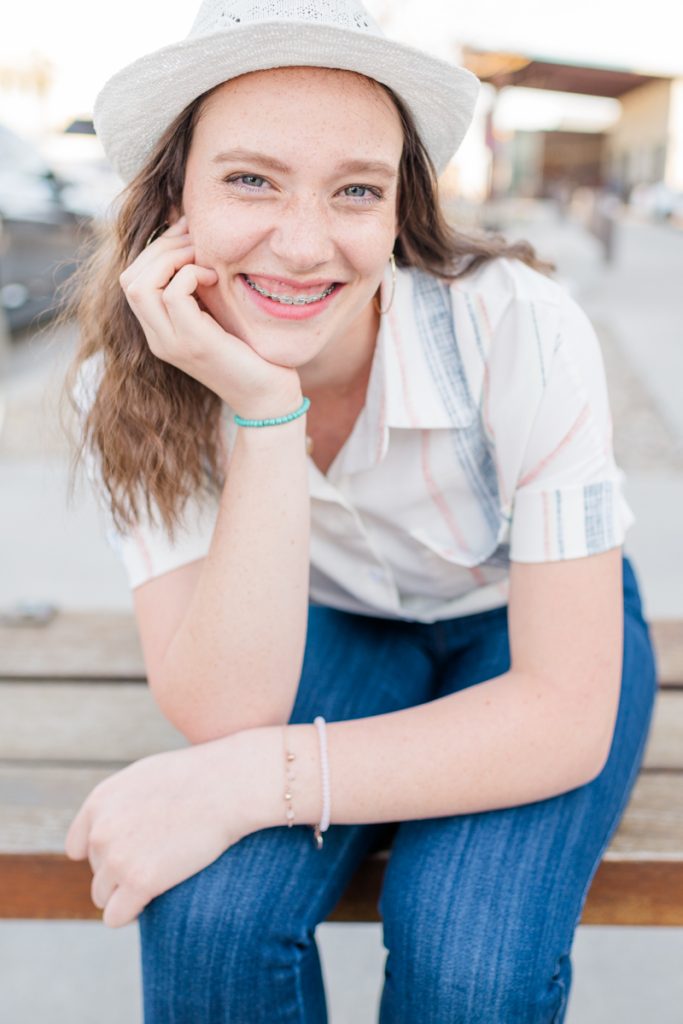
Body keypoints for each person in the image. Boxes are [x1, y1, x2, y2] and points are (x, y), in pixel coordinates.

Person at [62, 1, 657, 1021]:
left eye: (353, 190)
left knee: (471, 956)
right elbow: (221, 709)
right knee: (205, 911)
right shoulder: (127, 382)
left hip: (517, 622)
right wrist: (260, 410)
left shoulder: (517, 328)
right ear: (173, 200)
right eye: (250, 178)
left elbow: (561, 714)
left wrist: (253, 783)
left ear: (396, 212)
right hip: (326, 622)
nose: (301, 245)